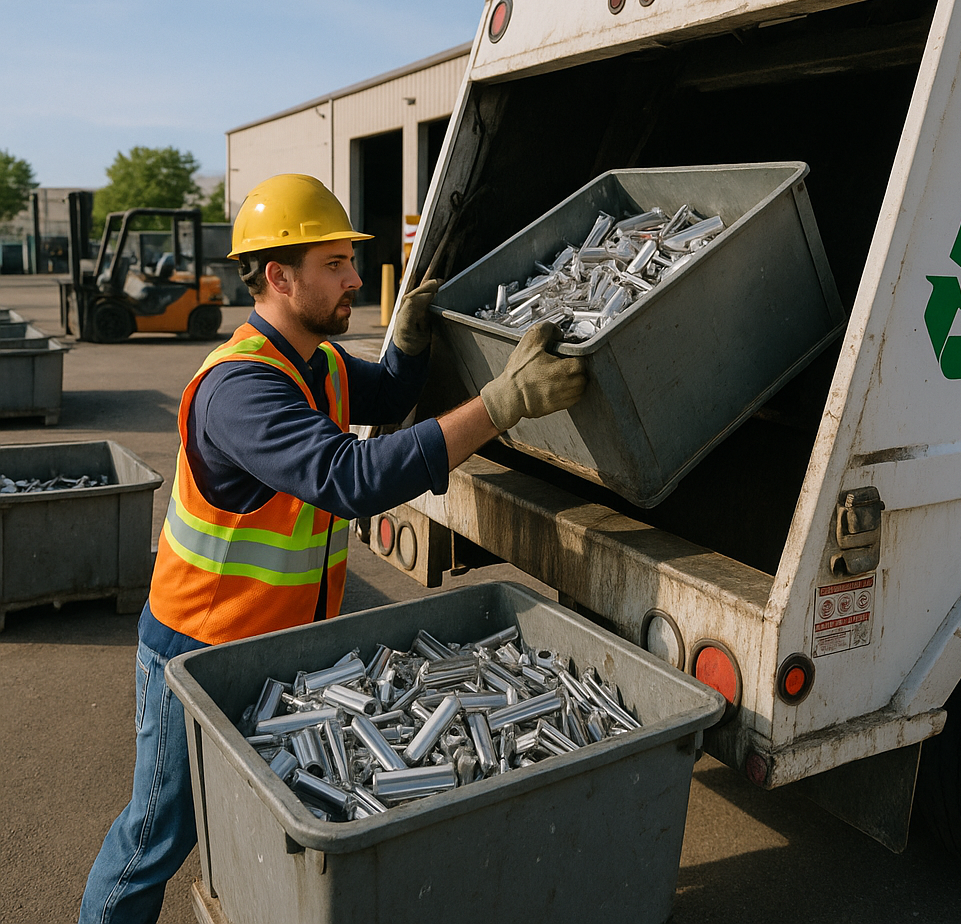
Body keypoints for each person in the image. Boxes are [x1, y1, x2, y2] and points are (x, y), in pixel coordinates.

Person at [78, 173, 587, 924]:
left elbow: (381, 394)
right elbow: (351, 478)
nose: (355, 277)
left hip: (276, 650)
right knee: (158, 835)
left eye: (351, 261)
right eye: (335, 265)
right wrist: (503, 403)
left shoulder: (317, 362)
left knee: (282, 809)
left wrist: (409, 346)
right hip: (196, 655)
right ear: (279, 276)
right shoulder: (241, 390)